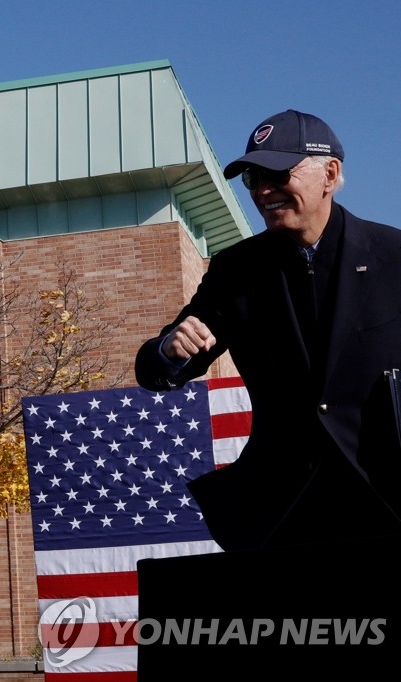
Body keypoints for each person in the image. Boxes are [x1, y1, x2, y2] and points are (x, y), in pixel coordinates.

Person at [135, 109, 401, 552]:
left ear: (330, 174)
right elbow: (155, 368)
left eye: (278, 174)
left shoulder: (395, 257)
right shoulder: (235, 271)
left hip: (387, 501)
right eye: (253, 178)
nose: (263, 191)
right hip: (284, 514)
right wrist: (170, 350)